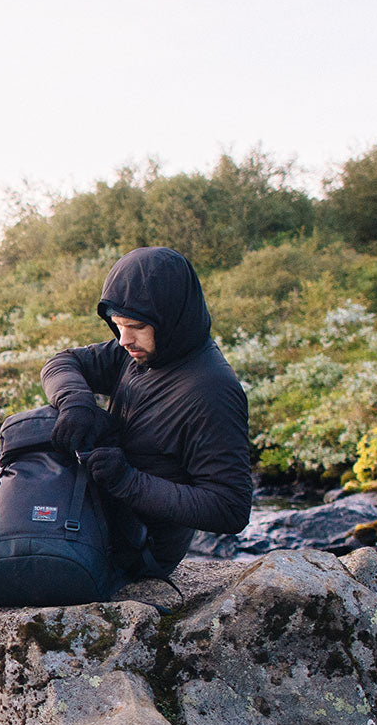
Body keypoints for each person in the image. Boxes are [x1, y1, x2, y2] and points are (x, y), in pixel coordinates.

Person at [40, 245, 252, 578]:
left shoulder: (212, 392)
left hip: (138, 553)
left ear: (170, 319)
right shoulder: (141, 350)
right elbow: (62, 362)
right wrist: (75, 401)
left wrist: (128, 480)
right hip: (96, 523)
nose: (124, 339)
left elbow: (230, 508)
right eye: (118, 325)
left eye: (136, 325)